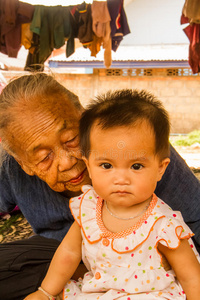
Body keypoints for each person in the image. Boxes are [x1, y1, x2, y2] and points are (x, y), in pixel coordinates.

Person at [0, 74, 200, 300]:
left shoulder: (142, 153)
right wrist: (46, 292)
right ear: (24, 164)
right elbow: (68, 252)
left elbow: (193, 265)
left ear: (85, 119)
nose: (67, 162)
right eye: (44, 157)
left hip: (151, 278)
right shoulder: (85, 206)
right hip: (66, 265)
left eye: (71, 139)